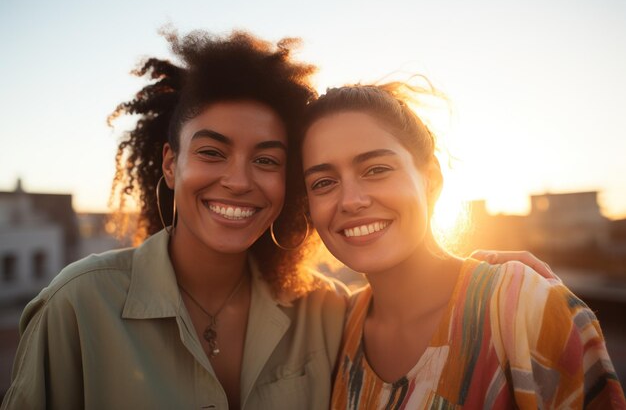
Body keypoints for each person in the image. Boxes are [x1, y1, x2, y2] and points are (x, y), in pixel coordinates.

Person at [1, 29, 556, 410]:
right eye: (212, 152)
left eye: (266, 160)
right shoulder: (76, 307)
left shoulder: (326, 313)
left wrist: (483, 277)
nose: (239, 180)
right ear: (171, 164)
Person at [300, 83, 626, 409]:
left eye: (376, 169)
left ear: (431, 180)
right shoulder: (339, 326)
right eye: (323, 182)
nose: (351, 201)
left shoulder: (523, 307)